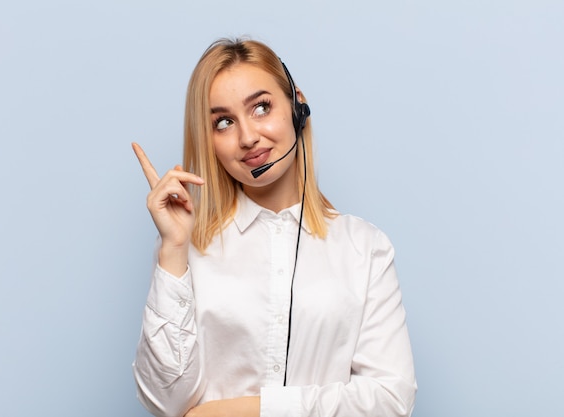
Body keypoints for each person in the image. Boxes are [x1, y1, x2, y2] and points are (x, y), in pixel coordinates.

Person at [131, 38, 417, 417]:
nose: (247, 137)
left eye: (261, 107)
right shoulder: (186, 246)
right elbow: (165, 402)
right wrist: (173, 248)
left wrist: (250, 411)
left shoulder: (364, 248)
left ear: (298, 107)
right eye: (224, 122)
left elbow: (390, 400)